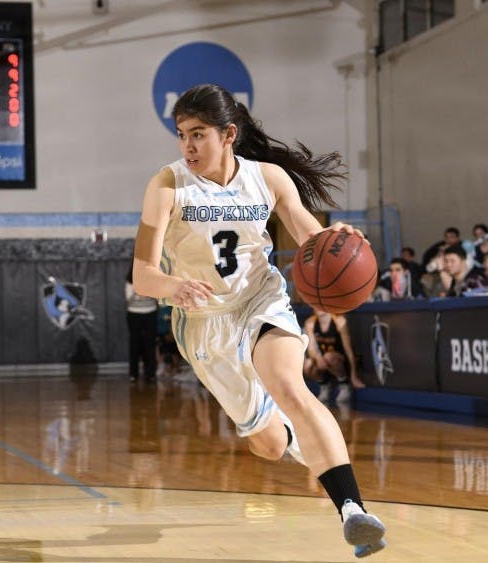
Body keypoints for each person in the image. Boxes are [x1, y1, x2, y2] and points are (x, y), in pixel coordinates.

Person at [131, 84, 386, 557]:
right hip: (203, 322)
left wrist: (337, 237)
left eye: (199, 134)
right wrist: (173, 286)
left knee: (291, 387)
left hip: (259, 298)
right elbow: (143, 275)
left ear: (229, 134)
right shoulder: (166, 185)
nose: (188, 146)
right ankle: (292, 439)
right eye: (182, 135)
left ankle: (352, 509)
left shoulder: (268, 179)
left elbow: (310, 235)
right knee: (268, 444)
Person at [302, 308, 364, 404]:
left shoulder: (340, 321)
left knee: (329, 356)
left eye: (320, 304)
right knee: (307, 364)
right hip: (323, 363)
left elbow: (349, 351)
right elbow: (311, 349)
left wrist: (354, 376)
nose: (318, 307)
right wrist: (318, 357)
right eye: (315, 304)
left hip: (340, 362)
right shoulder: (310, 323)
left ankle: (345, 385)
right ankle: (324, 385)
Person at [125, 270, 158, 382]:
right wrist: (139, 294)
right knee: (135, 343)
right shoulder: (130, 281)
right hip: (134, 313)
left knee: (150, 343)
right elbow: (128, 298)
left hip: (150, 312)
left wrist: (146, 293)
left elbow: (157, 295)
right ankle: (133, 374)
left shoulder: (152, 279)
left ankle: (151, 373)